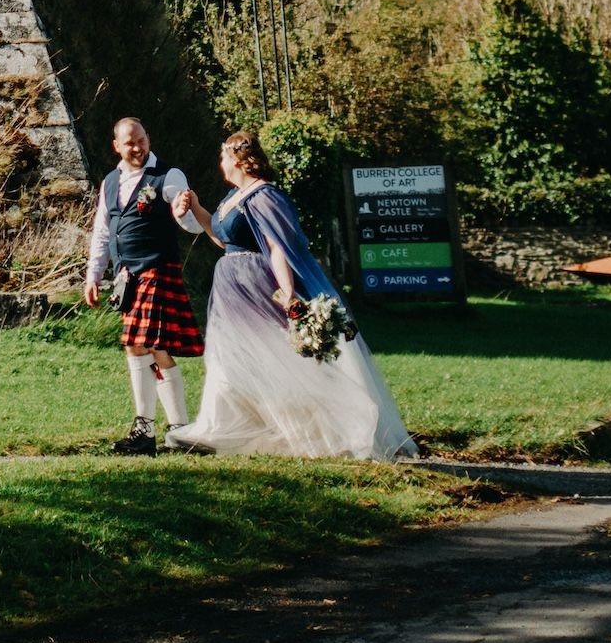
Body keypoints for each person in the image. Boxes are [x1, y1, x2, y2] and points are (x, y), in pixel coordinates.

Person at [166, 130, 417, 461]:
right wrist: (196, 207)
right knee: (228, 359)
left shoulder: (264, 196)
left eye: (224, 158)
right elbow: (223, 238)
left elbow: (278, 246)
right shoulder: (233, 198)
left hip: (258, 286)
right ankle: (218, 427)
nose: (221, 164)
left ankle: (334, 426)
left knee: (275, 358)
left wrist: (286, 292)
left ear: (239, 159)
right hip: (231, 288)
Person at [84, 113, 207, 454]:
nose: (136, 148)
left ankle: (175, 430)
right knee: (140, 346)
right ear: (116, 146)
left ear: (148, 139)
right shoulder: (110, 182)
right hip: (126, 277)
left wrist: (184, 210)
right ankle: (156, 431)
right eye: (129, 143)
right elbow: (102, 232)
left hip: (156, 269)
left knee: (148, 344)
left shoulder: (169, 175)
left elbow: (192, 226)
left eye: (141, 141)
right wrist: (94, 275)